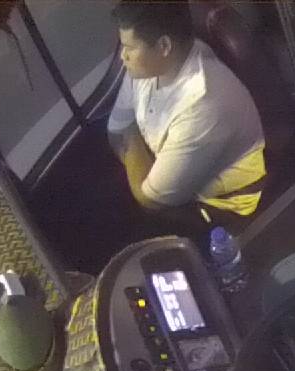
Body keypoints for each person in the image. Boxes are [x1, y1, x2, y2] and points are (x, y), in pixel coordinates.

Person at [107, 0, 266, 238]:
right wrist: (136, 154)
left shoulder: (202, 105)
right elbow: (115, 130)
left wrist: (131, 139)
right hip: (170, 179)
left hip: (223, 209)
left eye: (130, 47)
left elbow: (150, 199)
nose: (122, 56)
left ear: (164, 46)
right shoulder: (146, 68)